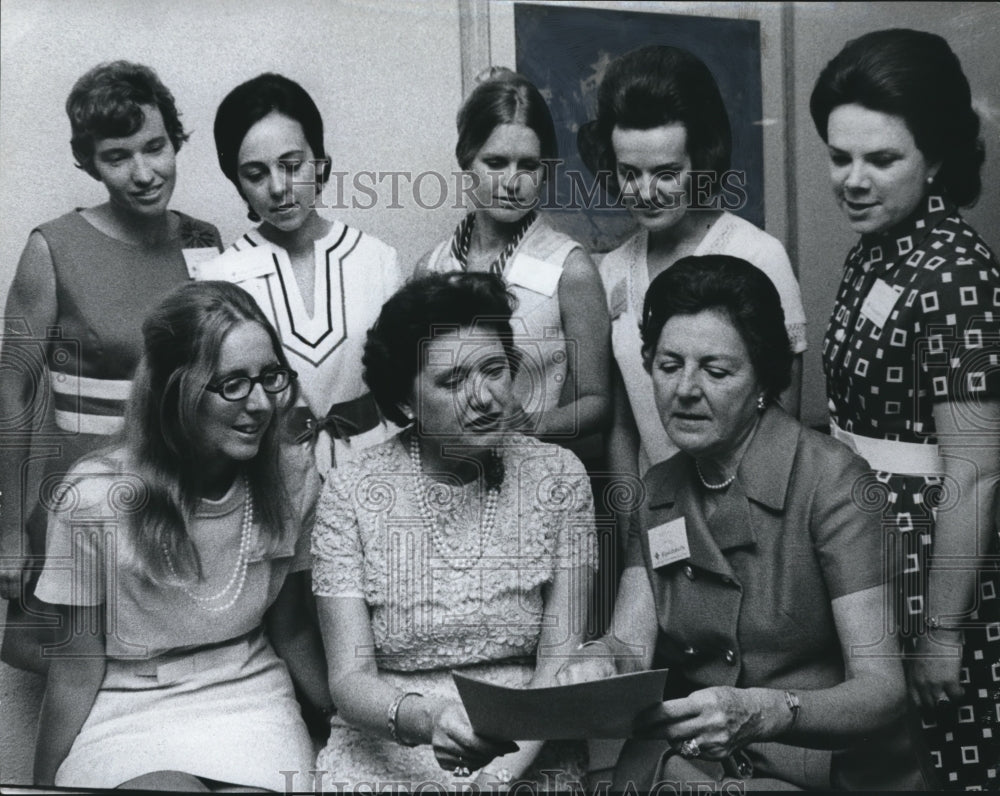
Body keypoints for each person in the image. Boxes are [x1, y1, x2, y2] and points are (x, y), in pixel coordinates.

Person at [557, 256, 929, 791]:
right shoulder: (657, 490)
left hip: (822, 769)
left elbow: (882, 688)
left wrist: (763, 712)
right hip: (702, 763)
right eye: (668, 365)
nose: (685, 389)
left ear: (761, 379)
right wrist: (596, 661)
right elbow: (628, 648)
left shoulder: (832, 481)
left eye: (716, 370)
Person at [31, 280, 330, 790]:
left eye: (270, 377)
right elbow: (75, 670)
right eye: (231, 383)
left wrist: (356, 719)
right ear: (176, 390)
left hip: (249, 697)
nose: (259, 404)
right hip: (128, 707)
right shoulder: (92, 498)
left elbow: (293, 628)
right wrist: (39, 786)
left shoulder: (292, 475)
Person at [311, 272, 596, 790]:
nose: (484, 397)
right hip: (391, 734)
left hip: (528, 738)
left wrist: (500, 773)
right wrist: (427, 718)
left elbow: (560, 663)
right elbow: (350, 680)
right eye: (452, 381)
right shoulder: (352, 491)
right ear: (404, 402)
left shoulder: (559, 477)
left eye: (494, 370)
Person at [810, 28, 1000, 789]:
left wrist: (943, 632)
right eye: (839, 156)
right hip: (868, 536)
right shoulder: (876, 249)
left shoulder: (956, 274)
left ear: (938, 159)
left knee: (943, 764)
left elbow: (978, 472)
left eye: (881, 159)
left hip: (935, 561)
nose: (853, 180)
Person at [0, 61, 222, 672]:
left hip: (178, 495)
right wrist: (9, 532)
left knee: (172, 663)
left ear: (175, 140)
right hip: (80, 496)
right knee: (84, 672)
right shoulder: (50, 247)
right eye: (117, 156)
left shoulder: (205, 241)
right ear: (89, 163)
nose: (144, 172)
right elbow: (10, 392)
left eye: (155, 147)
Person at [577, 45, 807, 487]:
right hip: (659, 516)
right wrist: (634, 538)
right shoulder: (612, 272)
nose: (644, 192)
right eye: (629, 172)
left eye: (666, 172)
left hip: (747, 517)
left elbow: (784, 420)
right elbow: (623, 430)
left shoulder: (758, 255)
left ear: (699, 162)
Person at [199, 72, 402, 477]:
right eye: (255, 174)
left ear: (320, 161)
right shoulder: (218, 278)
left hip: (378, 475)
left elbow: (401, 388)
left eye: (292, 165)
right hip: (269, 480)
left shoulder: (377, 259)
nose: (278, 187)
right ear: (237, 182)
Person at [415, 67, 610, 462]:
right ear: (467, 159)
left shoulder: (569, 268)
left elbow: (598, 401)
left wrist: (533, 422)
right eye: (496, 162)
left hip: (532, 474)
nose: (512, 181)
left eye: (528, 165)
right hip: (446, 469)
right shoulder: (431, 268)